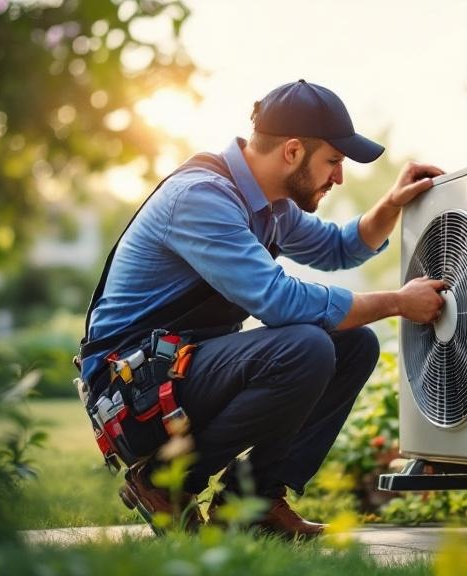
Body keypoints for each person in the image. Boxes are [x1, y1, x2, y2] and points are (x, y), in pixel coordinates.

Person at [78, 79, 446, 537]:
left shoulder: (271, 207)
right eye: (333, 161)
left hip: (178, 368)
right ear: (292, 152)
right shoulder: (201, 197)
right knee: (305, 346)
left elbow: (338, 248)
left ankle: (252, 503)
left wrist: (391, 203)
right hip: (131, 388)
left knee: (353, 344)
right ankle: (164, 487)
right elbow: (280, 301)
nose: (339, 177)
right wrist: (396, 302)